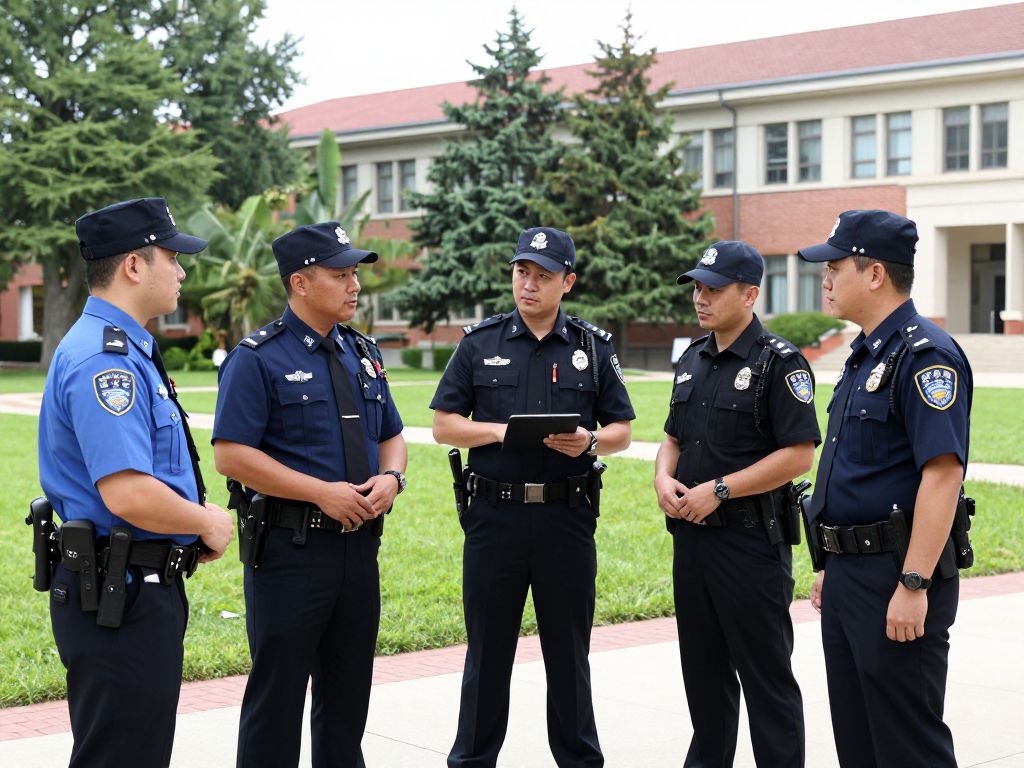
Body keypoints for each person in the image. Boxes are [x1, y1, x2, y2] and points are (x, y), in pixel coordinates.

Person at [37, 197, 234, 768]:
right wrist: (208, 522)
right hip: (118, 597)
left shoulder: (124, 349)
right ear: (132, 266)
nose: (182, 270)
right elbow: (126, 492)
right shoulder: (108, 361)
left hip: (131, 588)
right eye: (172, 258)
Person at [430, 226, 634, 768]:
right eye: (522, 272)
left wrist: (589, 440)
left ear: (567, 282)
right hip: (494, 518)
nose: (529, 285)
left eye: (543, 276)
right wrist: (501, 431)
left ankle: (579, 759)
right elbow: (444, 425)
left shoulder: (592, 346)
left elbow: (622, 430)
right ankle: (472, 759)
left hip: (566, 520)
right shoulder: (480, 343)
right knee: (487, 654)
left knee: (568, 655)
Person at [212, 221, 408, 768]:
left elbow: (392, 434)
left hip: (357, 549)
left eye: (354, 274)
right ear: (300, 282)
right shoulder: (257, 358)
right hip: (289, 554)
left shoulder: (361, 352)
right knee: (276, 702)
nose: (355, 286)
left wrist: (392, 480)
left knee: (347, 700)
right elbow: (231, 454)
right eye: (340, 274)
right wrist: (322, 493)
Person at [798, 210, 972, 768]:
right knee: (859, 740)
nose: (824, 278)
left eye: (834, 267)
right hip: (850, 576)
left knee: (906, 744)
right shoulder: (866, 356)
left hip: (898, 576)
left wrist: (915, 582)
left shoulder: (926, 356)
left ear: (874, 274)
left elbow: (943, 474)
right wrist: (831, 565)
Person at [653, 240, 820, 767]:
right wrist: (662, 477)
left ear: (750, 294)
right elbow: (673, 437)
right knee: (702, 677)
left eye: (713, 289)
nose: (700, 298)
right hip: (693, 543)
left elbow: (798, 455)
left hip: (750, 546)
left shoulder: (780, 363)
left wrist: (720, 489)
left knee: (766, 681)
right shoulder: (692, 358)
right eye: (697, 287)